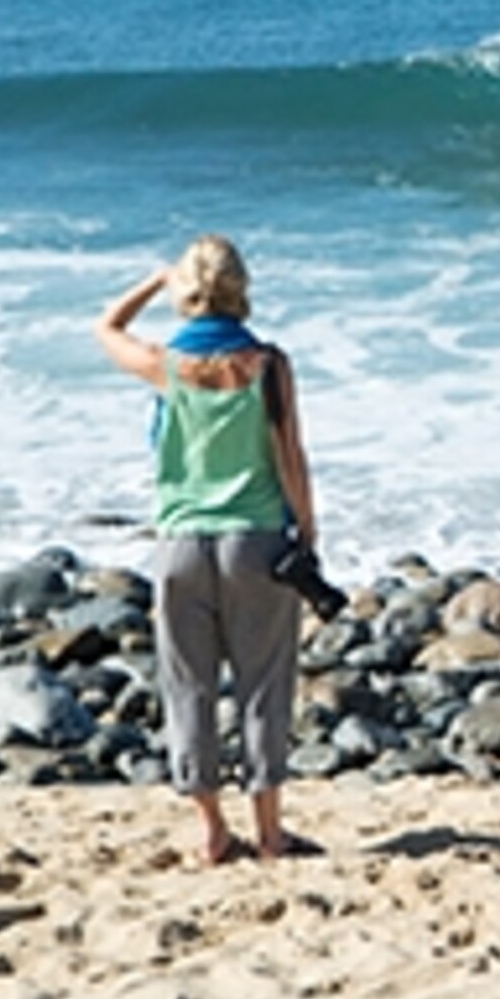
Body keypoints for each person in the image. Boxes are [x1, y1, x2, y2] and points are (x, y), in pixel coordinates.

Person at [94, 236, 319, 866]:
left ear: (183, 296)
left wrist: (154, 278)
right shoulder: (268, 365)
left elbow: (105, 325)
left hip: (180, 544)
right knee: (263, 685)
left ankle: (212, 831)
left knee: (188, 685)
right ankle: (271, 833)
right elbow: (290, 454)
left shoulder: (164, 365)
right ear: (241, 288)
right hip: (256, 539)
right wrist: (308, 529)